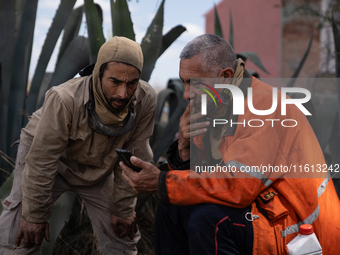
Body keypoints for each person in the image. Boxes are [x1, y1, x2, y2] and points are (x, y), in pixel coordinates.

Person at [121, 34, 340, 255]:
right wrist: (184, 150)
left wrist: (161, 182)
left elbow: (238, 187)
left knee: (209, 221)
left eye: (193, 83)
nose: (186, 94)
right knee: (172, 209)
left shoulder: (264, 105)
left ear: (226, 76)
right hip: (263, 210)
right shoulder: (213, 104)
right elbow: (202, 182)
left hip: (301, 230)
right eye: (183, 81)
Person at [0, 36, 156, 255]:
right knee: (21, 238)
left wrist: (123, 208)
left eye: (131, 83)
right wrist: (34, 215)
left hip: (99, 167)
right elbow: (43, 159)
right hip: (48, 163)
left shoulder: (146, 99)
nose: (123, 93)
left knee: (122, 238)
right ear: (98, 73)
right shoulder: (64, 98)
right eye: (115, 81)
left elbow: (135, 155)